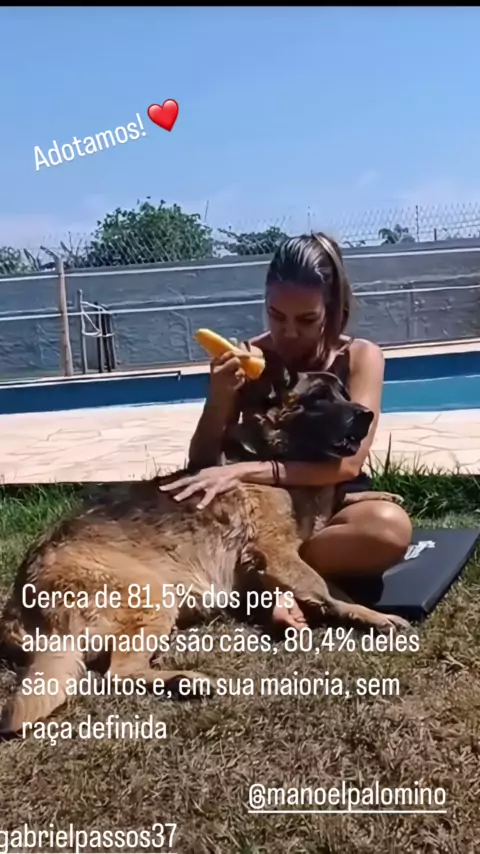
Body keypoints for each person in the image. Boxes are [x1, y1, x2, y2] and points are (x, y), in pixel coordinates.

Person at [160, 232, 413, 629]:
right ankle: (276, 575)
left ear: (333, 308)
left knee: (387, 528)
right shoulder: (251, 357)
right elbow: (203, 462)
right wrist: (219, 397)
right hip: (267, 514)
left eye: (306, 320)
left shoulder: (360, 356)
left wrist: (245, 469)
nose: (289, 333)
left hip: (331, 497)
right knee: (264, 535)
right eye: (276, 316)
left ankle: (269, 577)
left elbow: (347, 466)